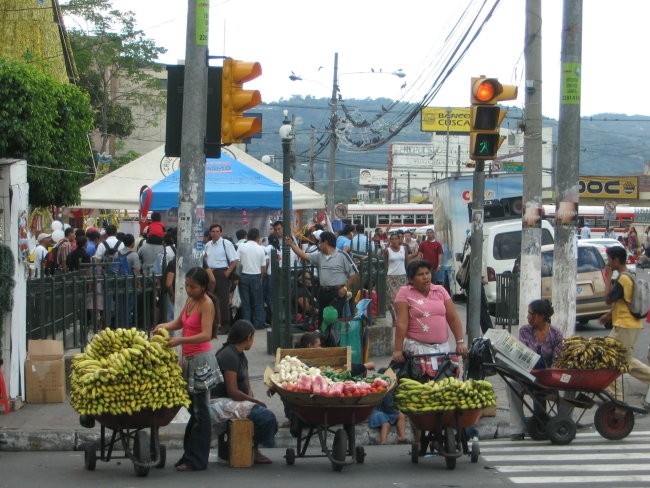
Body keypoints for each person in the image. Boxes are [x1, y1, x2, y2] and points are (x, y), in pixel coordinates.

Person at [154, 267, 221, 471]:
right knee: (194, 410)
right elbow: (179, 322)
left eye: (193, 287)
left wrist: (179, 340)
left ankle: (196, 459)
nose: (189, 290)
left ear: (203, 287)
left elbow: (205, 335)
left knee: (201, 412)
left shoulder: (207, 304)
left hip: (201, 360)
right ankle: (189, 455)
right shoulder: (190, 301)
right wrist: (163, 326)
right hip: (188, 360)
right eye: (187, 286)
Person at [214, 319, 278, 464]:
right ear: (248, 337)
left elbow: (247, 386)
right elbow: (232, 391)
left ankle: (252, 446)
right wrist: (254, 402)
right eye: (253, 337)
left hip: (240, 402)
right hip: (225, 403)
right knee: (267, 418)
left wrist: (252, 400)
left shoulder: (241, 355)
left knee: (262, 411)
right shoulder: (228, 355)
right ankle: (252, 448)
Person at [391, 260, 467, 368]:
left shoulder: (440, 290)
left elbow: (453, 318)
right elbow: (401, 324)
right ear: (411, 279)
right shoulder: (404, 293)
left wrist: (460, 342)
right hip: (417, 351)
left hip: (442, 350)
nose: (425, 277)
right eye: (420, 274)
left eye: (427, 273)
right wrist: (398, 350)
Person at [508, 299, 564, 440]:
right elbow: (521, 354)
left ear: (542, 316)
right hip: (528, 375)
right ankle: (517, 428)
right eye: (528, 313)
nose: (528, 317)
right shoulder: (525, 331)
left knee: (566, 386)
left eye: (531, 314)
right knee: (511, 383)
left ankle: (560, 422)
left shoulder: (556, 334)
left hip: (549, 377)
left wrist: (548, 374)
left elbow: (558, 360)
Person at [599, 246, 650, 403]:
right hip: (630, 324)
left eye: (609, 259)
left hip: (625, 326)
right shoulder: (630, 275)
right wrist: (609, 315)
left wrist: (607, 278)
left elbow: (608, 299)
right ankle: (616, 397)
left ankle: (616, 399)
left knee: (609, 360)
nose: (608, 263)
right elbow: (624, 301)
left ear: (615, 260)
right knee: (626, 361)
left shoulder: (622, 279)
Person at [286, 231, 359, 324]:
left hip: (337, 293)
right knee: (322, 320)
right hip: (323, 293)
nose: (318, 244)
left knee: (333, 320)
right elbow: (304, 255)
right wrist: (292, 244)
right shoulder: (319, 256)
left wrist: (345, 288)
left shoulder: (342, 256)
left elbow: (355, 274)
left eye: (320, 242)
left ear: (326, 242)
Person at [203, 224, 239, 334]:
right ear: (210, 233)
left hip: (221, 273)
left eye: (217, 231)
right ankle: (214, 324)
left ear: (220, 232)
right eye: (213, 231)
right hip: (210, 272)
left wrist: (226, 274)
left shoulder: (226, 243)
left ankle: (225, 324)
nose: (215, 233)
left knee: (223, 300)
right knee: (210, 299)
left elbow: (234, 260)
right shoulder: (208, 244)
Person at [368, 368, 407, 445]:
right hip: (378, 412)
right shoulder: (384, 390)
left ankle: (402, 436)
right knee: (386, 424)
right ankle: (383, 441)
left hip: (387, 411)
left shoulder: (391, 389)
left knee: (401, 416)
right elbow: (389, 406)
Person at [236, 228, 266, 329]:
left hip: (244, 276)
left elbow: (238, 263)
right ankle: (258, 323)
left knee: (246, 302)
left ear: (247, 236)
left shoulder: (241, 246)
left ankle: (246, 324)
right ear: (258, 237)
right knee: (257, 302)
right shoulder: (261, 248)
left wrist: (237, 277)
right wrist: (261, 278)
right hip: (256, 276)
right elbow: (263, 267)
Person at [383, 232, 409, 322]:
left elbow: (407, 262)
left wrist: (409, 275)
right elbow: (385, 264)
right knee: (392, 299)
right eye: (392, 239)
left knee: (403, 298)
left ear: (399, 239)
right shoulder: (387, 250)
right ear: (390, 241)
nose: (394, 241)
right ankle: (394, 318)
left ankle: (402, 317)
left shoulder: (404, 248)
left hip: (402, 276)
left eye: (396, 238)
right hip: (391, 277)